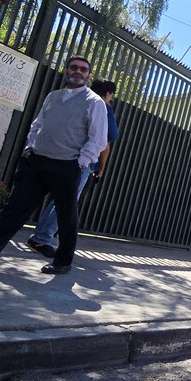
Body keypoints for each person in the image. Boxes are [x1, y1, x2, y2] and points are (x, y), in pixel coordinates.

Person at [0, 55, 108, 275]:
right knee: (15, 210)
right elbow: (37, 125)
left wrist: (81, 163)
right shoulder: (53, 97)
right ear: (66, 71)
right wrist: (30, 149)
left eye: (83, 69)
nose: (78, 72)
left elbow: (98, 139)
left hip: (67, 166)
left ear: (88, 75)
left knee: (66, 217)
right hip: (37, 162)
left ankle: (62, 262)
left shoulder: (94, 102)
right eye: (73, 68)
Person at [27, 79, 118, 258]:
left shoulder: (76, 100)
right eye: (111, 96)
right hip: (80, 162)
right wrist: (100, 168)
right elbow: (106, 141)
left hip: (58, 156)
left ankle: (40, 235)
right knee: (66, 202)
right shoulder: (102, 107)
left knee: (52, 199)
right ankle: (42, 237)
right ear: (108, 94)